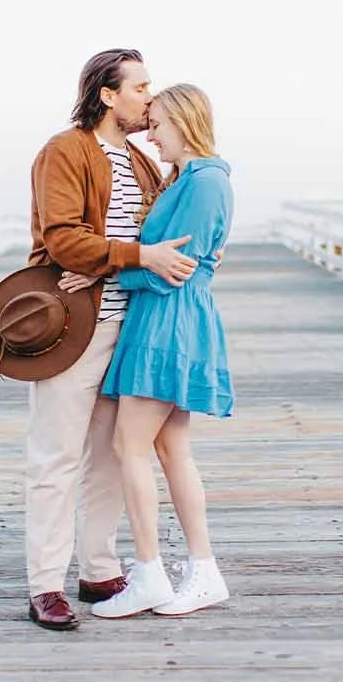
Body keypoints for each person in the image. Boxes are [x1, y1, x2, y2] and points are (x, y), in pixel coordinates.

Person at [22, 49, 199, 631]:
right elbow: (64, 238)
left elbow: (165, 236)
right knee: (57, 457)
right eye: (142, 87)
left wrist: (122, 263)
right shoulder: (65, 152)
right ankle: (45, 584)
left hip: (132, 329)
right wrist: (131, 256)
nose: (151, 97)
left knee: (112, 456)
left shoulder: (145, 164)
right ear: (108, 94)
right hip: (75, 328)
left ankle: (99, 569)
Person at [88, 84, 235, 618]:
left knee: (130, 447)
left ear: (185, 121)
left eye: (158, 125)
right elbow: (182, 260)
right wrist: (143, 263)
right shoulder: (191, 179)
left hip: (167, 326)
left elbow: (176, 270)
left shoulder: (206, 180)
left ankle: (150, 572)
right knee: (172, 451)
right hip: (166, 321)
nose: (150, 136)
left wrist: (107, 275)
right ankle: (203, 572)